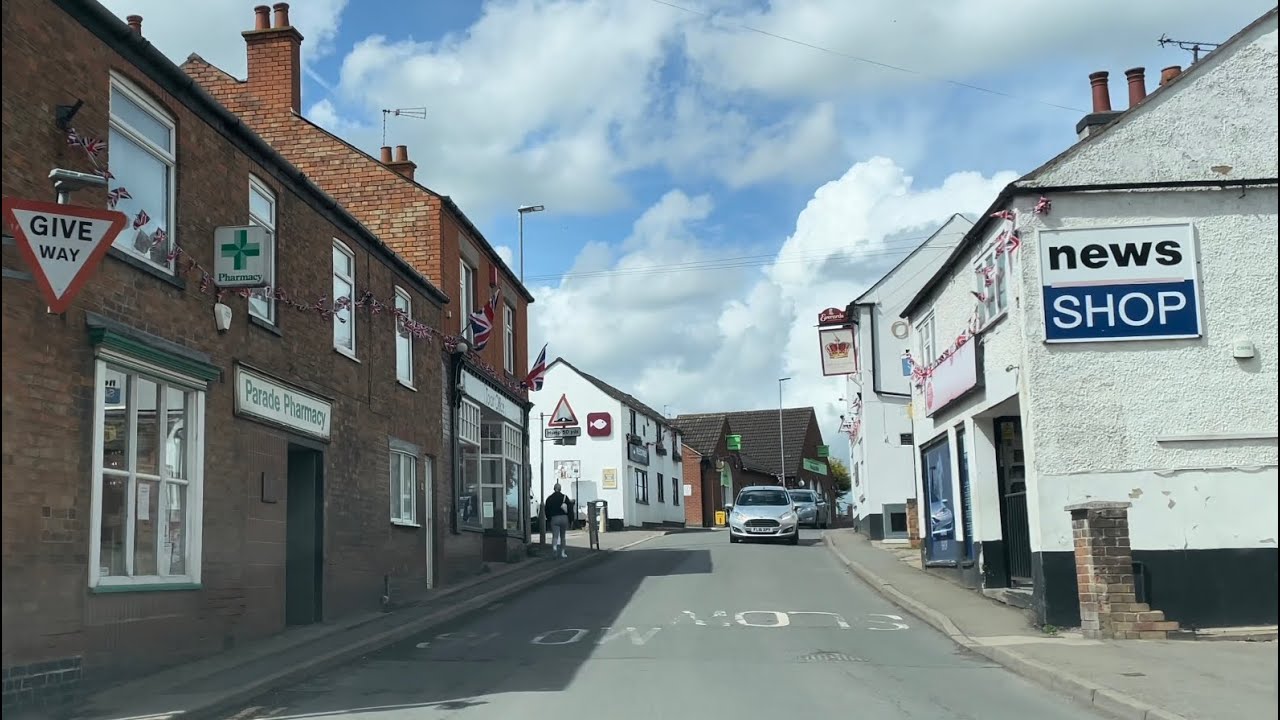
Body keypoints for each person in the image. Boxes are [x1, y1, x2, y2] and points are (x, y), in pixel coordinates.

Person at [545, 483, 573, 558]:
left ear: (554, 489)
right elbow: (570, 509)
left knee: (555, 536)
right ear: (560, 489)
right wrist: (571, 520)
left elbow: (546, 510)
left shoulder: (549, 498)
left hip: (554, 518)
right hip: (564, 518)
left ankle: (554, 548)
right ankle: (563, 553)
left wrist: (549, 519)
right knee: (563, 536)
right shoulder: (565, 497)